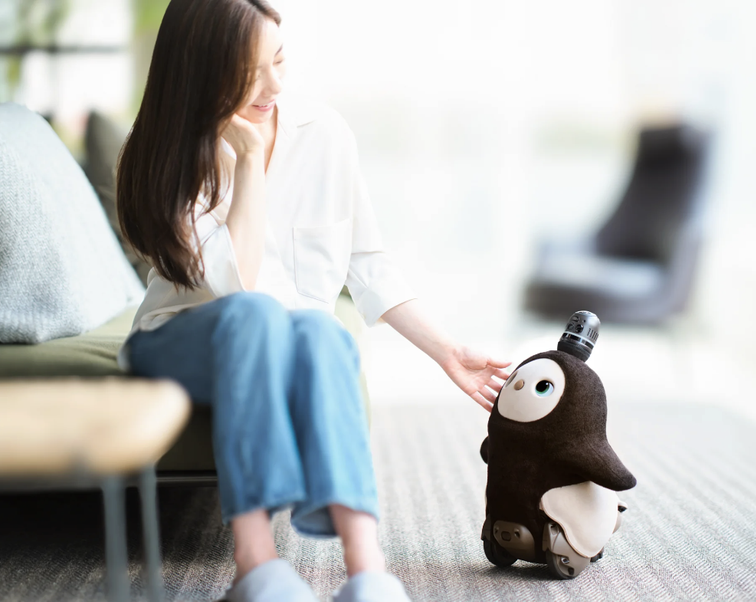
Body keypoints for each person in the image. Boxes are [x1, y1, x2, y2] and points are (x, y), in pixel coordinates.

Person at [116, 1, 511, 600]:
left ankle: (367, 571)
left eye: (278, 61)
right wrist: (249, 161)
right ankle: (255, 564)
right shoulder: (164, 154)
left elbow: (367, 262)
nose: (274, 85)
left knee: (324, 330)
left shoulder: (323, 133)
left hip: (282, 334)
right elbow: (238, 286)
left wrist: (447, 351)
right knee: (257, 314)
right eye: (249, 72)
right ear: (200, 70)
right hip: (179, 340)